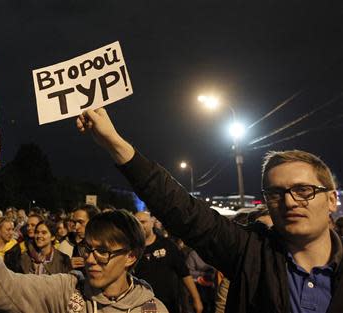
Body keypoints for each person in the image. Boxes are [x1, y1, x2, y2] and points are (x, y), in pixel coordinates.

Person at [76, 108, 342, 313]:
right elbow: (181, 209)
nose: (290, 202)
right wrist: (114, 143)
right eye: (276, 193)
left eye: (304, 191)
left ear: (332, 200)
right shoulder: (250, 253)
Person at [0, 170, 168, 312]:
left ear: (130, 256)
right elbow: (1, 286)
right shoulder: (66, 289)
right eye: (88, 248)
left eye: (103, 251)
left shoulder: (152, 310)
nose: (90, 259)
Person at [135, 211, 203, 313]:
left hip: (169, 302)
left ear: (152, 222)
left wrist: (196, 299)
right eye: (137, 223)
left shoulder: (167, 245)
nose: (140, 226)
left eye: (143, 222)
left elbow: (184, 272)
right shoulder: (132, 250)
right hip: (146, 303)